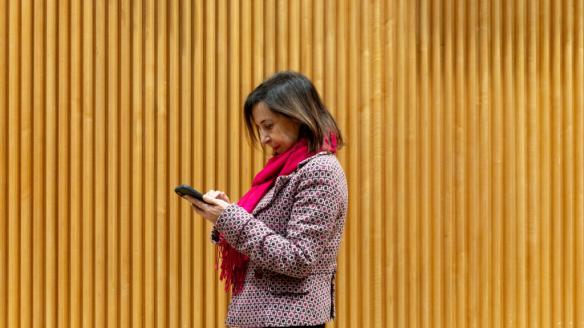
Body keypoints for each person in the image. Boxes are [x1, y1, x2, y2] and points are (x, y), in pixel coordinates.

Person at [181, 71, 348, 328]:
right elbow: (267, 234)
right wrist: (225, 214)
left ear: (297, 116)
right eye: (260, 129)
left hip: (290, 319)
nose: (263, 139)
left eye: (268, 126)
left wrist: (231, 218)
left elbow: (299, 258)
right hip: (263, 316)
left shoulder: (320, 170)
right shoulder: (288, 169)